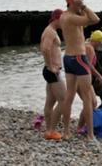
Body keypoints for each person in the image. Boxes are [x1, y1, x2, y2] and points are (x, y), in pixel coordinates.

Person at [59, 0, 100, 140]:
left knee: (69, 96)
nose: (81, 4)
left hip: (68, 58)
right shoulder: (72, 17)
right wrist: (84, 6)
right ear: (72, 3)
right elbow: (96, 19)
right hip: (78, 58)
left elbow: (88, 20)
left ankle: (66, 132)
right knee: (88, 97)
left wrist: (80, 7)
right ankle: (90, 134)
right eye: (79, 2)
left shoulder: (65, 16)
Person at [39, 9, 66, 140]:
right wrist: (51, 66)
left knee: (50, 102)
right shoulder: (50, 31)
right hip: (52, 71)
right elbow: (45, 48)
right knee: (64, 100)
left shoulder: (50, 30)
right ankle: (51, 130)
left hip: (51, 70)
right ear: (57, 18)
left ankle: (49, 130)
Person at [76, 30, 102, 134]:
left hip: (80, 77)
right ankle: (80, 127)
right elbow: (88, 64)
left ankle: (81, 126)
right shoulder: (90, 48)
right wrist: (99, 75)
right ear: (97, 40)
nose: (101, 44)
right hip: (82, 78)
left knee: (92, 103)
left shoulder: (86, 45)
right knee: (90, 103)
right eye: (101, 42)